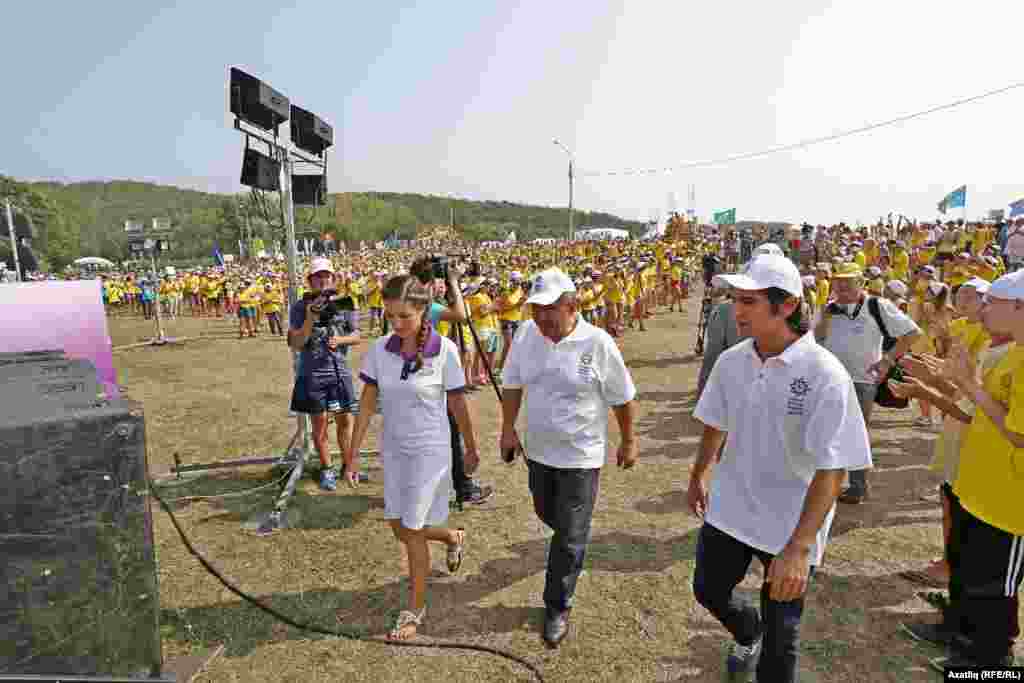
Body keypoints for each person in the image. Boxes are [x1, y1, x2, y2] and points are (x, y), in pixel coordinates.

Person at [689, 254, 872, 682]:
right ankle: (745, 628)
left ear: (786, 305)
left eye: (749, 302)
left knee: (781, 641)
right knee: (708, 589)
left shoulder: (826, 375)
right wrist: (699, 474)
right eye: (736, 299)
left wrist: (799, 547)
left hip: (790, 525)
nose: (736, 311)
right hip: (731, 508)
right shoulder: (733, 361)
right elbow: (716, 420)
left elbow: (833, 469)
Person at [499, 267, 638, 648]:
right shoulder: (527, 335)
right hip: (540, 453)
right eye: (535, 309)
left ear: (572, 305)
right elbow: (511, 384)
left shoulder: (599, 343)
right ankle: (566, 547)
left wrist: (629, 440)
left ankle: (557, 605)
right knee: (548, 514)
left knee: (570, 533)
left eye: (550, 309)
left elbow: (622, 397)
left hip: (581, 456)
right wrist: (508, 429)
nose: (542, 318)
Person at [347, 274, 480, 641]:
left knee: (414, 531)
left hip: (430, 454)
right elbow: (368, 403)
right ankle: (452, 536)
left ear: (424, 310)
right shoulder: (380, 350)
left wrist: (470, 448)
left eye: (404, 316)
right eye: (391, 317)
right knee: (399, 526)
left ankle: (415, 608)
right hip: (395, 451)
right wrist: (353, 454)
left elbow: (457, 403)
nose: (397, 324)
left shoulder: (445, 351)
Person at [813, 262, 921, 503]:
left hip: (863, 381)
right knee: (826, 431)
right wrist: (824, 319)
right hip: (830, 381)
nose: (841, 286)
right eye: (838, 281)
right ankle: (827, 484)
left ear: (860, 283)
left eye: (847, 281)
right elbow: (815, 340)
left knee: (855, 432)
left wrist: (888, 360)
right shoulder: (827, 310)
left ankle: (857, 486)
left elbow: (913, 333)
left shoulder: (877, 305)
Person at [408, 255, 495, 505]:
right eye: (438, 280)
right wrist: (455, 283)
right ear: (429, 283)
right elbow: (461, 315)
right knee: (450, 430)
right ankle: (462, 487)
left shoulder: (409, 302)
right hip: (431, 379)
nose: (440, 285)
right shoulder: (428, 306)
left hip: (417, 379)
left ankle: (440, 485)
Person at [287, 258, 362, 491]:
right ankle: (327, 468)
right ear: (310, 281)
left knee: (345, 420)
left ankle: (348, 465)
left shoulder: (345, 303)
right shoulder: (300, 307)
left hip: (339, 372)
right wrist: (310, 316)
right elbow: (297, 342)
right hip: (313, 374)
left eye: (326, 276)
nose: (322, 280)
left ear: (333, 278)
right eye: (318, 276)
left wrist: (340, 339)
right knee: (319, 425)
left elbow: (357, 335)